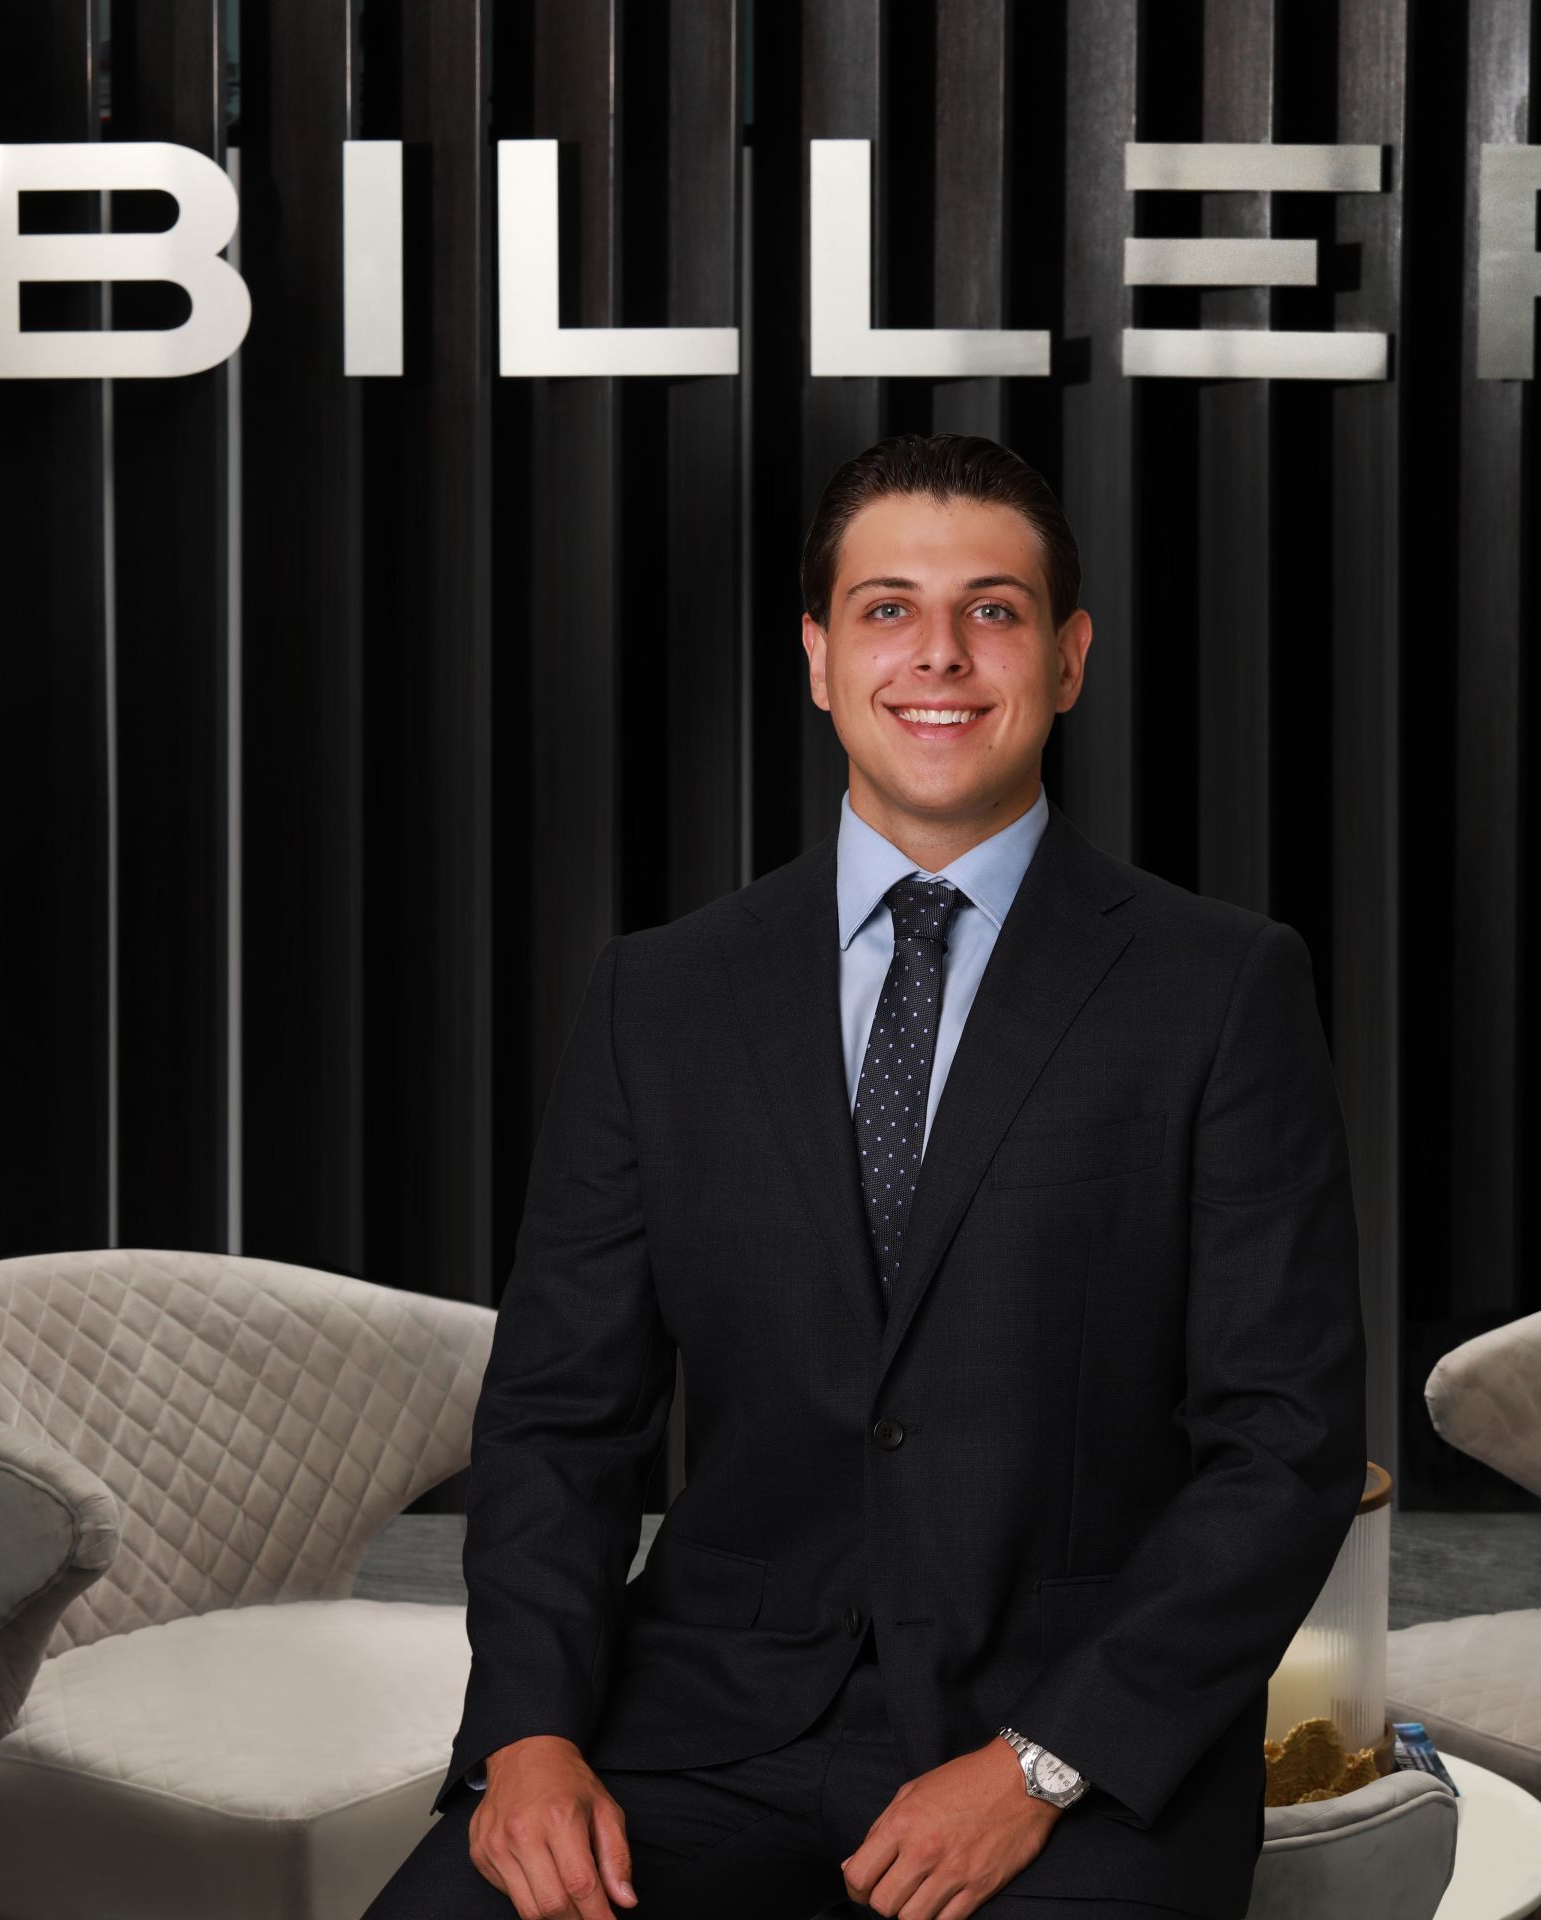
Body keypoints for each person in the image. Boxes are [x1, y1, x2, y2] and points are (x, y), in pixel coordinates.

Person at [364, 432, 1366, 1920]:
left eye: (993, 610)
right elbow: (561, 1418)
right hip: (699, 1724)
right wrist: (527, 1734)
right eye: (889, 608)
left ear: (1069, 659)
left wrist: (1041, 1764)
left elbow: (1285, 1441)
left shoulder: (1219, 989)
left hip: (1067, 1744)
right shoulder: (661, 996)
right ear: (822, 659)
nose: (939, 654)